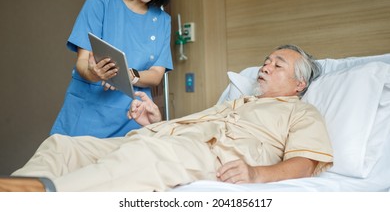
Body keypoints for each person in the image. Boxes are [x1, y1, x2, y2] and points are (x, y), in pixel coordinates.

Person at [0, 44, 333, 192]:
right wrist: (156, 123)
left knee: (145, 156)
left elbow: (304, 164)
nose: (265, 66)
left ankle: (42, 200)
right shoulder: (239, 101)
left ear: (299, 83)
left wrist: (255, 173)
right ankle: (14, 193)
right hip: (165, 140)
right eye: (266, 60)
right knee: (62, 146)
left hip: (217, 155)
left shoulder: (303, 112)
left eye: (278, 64)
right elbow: (190, 132)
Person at [50, 0, 177, 138]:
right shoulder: (100, 1)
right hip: (86, 116)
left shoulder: (162, 20)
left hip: (133, 117)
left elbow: (156, 74)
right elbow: (83, 61)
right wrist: (94, 73)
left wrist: (131, 75)